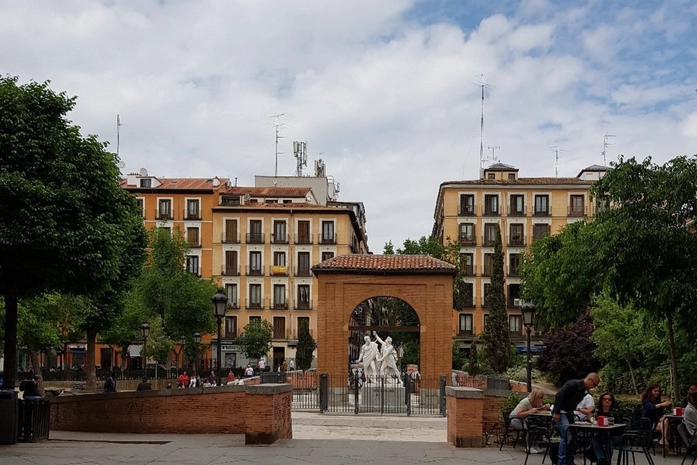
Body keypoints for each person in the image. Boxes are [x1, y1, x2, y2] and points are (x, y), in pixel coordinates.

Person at [552, 372, 600, 465]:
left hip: (568, 412)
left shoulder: (584, 390)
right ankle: (561, 462)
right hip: (561, 411)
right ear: (589, 380)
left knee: (573, 437)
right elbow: (559, 395)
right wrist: (556, 411)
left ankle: (569, 460)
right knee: (566, 436)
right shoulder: (573, 384)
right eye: (594, 384)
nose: (593, 387)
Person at [510, 388, 550, 453]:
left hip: (525, 420)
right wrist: (530, 412)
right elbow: (519, 414)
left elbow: (539, 410)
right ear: (535, 397)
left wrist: (544, 408)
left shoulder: (537, 402)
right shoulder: (526, 402)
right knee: (532, 426)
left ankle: (535, 445)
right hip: (516, 420)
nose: (542, 399)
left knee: (540, 425)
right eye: (541, 397)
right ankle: (529, 446)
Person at [591, 392, 621, 465]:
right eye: (604, 399)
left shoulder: (615, 411)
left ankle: (604, 462)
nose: (607, 401)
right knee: (594, 438)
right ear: (601, 400)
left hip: (615, 434)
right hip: (601, 433)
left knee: (609, 442)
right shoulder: (597, 410)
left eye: (609, 399)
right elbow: (591, 419)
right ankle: (601, 459)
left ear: (612, 401)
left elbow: (620, 424)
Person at [641, 383, 672, 452]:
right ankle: (665, 445)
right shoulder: (647, 401)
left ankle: (663, 440)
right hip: (648, 422)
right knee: (665, 425)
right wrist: (661, 404)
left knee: (665, 420)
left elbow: (660, 414)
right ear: (650, 391)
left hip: (657, 422)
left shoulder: (658, 401)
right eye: (655, 391)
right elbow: (651, 407)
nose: (657, 393)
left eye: (658, 391)